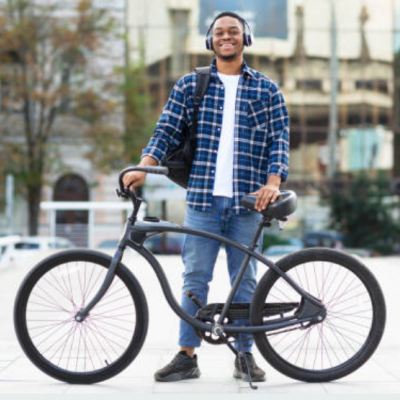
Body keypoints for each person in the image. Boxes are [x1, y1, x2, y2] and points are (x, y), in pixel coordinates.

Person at [123, 11, 290, 383]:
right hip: (202, 200)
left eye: (233, 32)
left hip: (248, 203)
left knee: (245, 282)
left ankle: (245, 356)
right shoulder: (190, 86)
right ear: (209, 40)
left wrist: (273, 181)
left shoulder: (266, 89)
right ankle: (187, 356)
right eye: (219, 32)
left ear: (245, 39)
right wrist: (143, 166)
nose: (226, 37)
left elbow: (280, 138)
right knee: (194, 278)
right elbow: (166, 128)